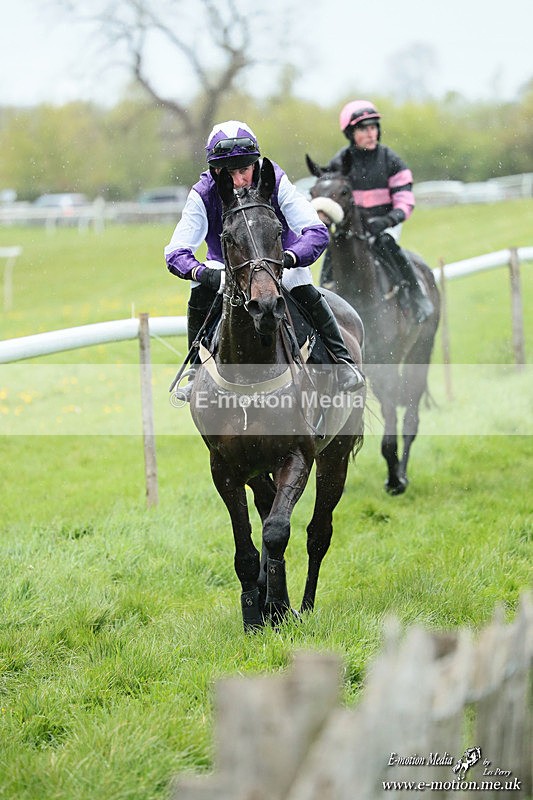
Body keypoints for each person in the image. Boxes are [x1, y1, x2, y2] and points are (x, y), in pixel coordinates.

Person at [164, 120, 364, 400]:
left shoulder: (276, 181)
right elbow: (175, 252)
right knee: (200, 284)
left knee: (297, 279)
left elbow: (316, 232)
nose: (238, 181)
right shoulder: (203, 193)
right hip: (229, 267)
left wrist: (289, 257)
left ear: (255, 165)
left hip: (279, 262)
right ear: (214, 170)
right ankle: (196, 370)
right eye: (228, 173)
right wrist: (204, 274)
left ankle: (342, 362)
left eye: (244, 170)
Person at [320, 100, 434, 323]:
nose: (371, 133)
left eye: (373, 127)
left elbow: (405, 200)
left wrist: (388, 220)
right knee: (333, 249)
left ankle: (416, 295)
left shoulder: (391, 160)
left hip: (385, 223)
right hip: (352, 226)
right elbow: (330, 194)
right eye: (364, 129)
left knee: (386, 243)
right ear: (350, 133)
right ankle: (324, 296)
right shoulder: (339, 162)